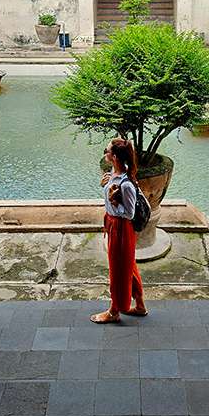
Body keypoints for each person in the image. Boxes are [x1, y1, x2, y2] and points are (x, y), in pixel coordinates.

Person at [90, 138, 148, 323]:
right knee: (128, 265)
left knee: (117, 269)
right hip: (114, 225)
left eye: (105, 151)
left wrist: (114, 202)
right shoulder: (113, 175)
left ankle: (114, 311)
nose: (104, 153)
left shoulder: (126, 184)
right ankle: (139, 305)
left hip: (121, 229)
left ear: (114, 156)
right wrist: (106, 186)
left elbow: (129, 214)